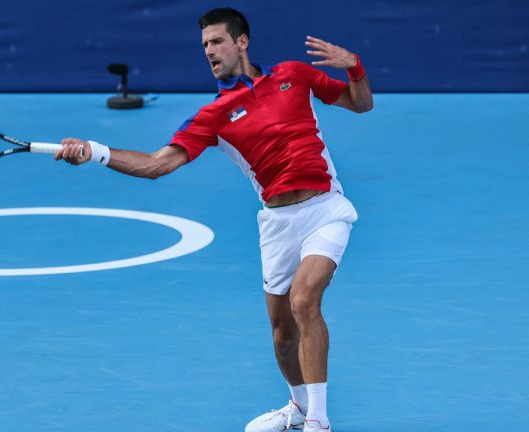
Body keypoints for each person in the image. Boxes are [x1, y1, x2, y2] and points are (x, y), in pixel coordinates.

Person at [55, 7, 373, 432]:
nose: (209, 51)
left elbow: (361, 104)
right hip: (278, 223)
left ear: (242, 41)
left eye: (217, 41)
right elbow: (156, 164)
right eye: (204, 44)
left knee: (303, 300)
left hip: (325, 210)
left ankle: (318, 420)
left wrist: (355, 68)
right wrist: (96, 151)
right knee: (282, 335)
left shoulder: (294, 75)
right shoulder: (214, 116)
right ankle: (297, 408)